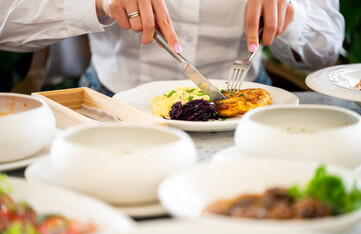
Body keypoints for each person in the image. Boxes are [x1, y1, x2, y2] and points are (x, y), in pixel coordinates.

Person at [0, 0, 345, 96]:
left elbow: (326, 51)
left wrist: (290, 15)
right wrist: (98, 3)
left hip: (248, 110)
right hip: (115, 108)